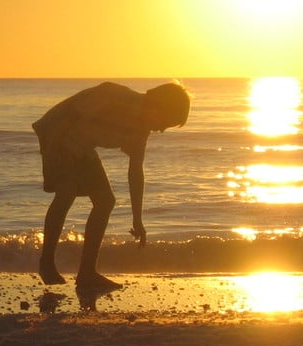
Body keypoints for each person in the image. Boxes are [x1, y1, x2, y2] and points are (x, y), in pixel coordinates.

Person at [32, 81, 190, 291]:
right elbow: (71, 114)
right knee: (66, 192)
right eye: (165, 122)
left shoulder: (140, 132)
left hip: (83, 146)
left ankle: (87, 273)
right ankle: (47, 263)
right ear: (156, 105)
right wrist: (56, 154)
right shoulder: (116, 96)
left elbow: (135, 172)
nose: (161, 129)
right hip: (57, 134)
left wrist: (137, 220)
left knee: (106, 201)